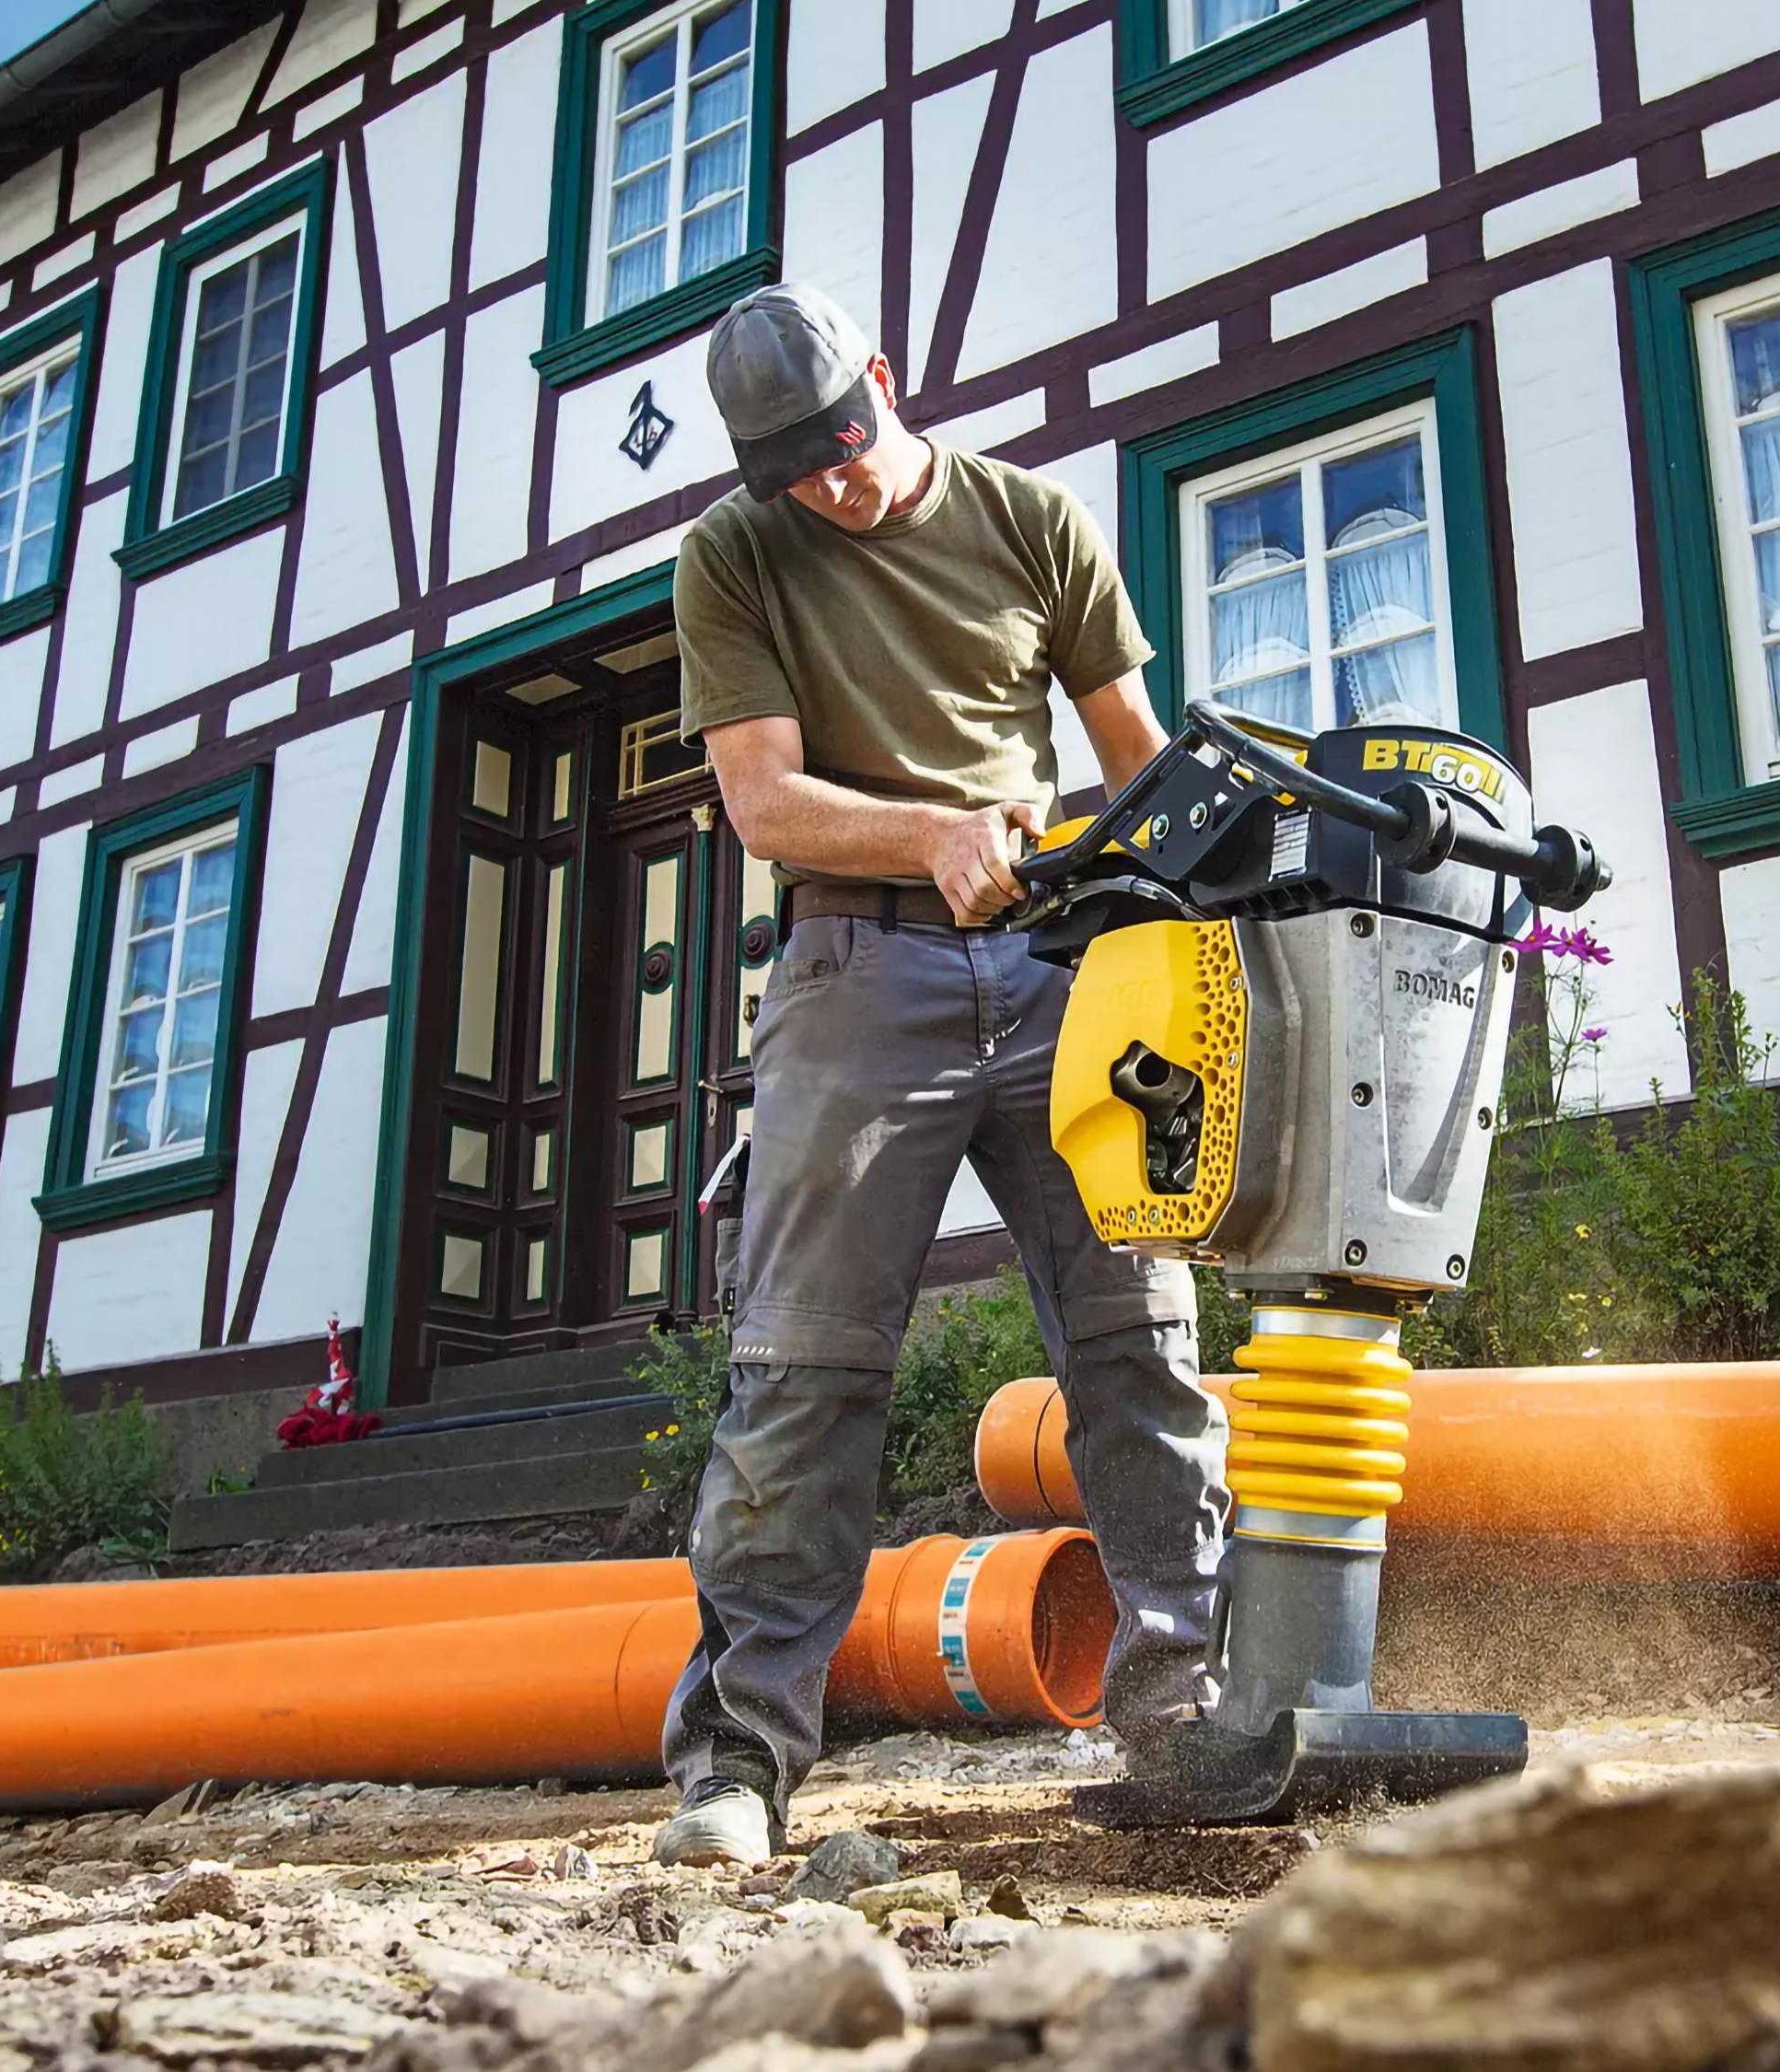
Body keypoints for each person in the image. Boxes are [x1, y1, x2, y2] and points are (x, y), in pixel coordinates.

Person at [650, 281, 1229, 1867]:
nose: (833, 488)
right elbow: (763, 804)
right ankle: (740, 1762)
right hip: (853, 966)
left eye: (845, 446)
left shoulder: (1029, 520)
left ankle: (1182, 1703)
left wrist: (1193, 914)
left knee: (1139, 1330)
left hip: (1058, 962)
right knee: (804, 1364)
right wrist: (927, 831)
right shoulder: (732, 556)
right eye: (795, 473)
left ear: (886, 386)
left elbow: (1138, 758)